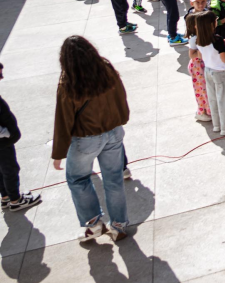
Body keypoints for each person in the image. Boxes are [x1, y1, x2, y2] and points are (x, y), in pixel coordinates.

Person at [51, 36, 130, 242]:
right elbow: (120, 95)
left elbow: (63, 119)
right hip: (113, 132)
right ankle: (119, 226)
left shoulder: (68, 81)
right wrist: (121, 119)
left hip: (85, 138)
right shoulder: (105, 68)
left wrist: (59, 153)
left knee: (78, 180)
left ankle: (94, 225)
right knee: (114, 180)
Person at [0, 62, 41, 211]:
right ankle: (16, 200)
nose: (2, 77)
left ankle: (5, 197)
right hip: (2, 143)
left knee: (2, 170)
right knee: (10, 169)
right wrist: (7, 133)